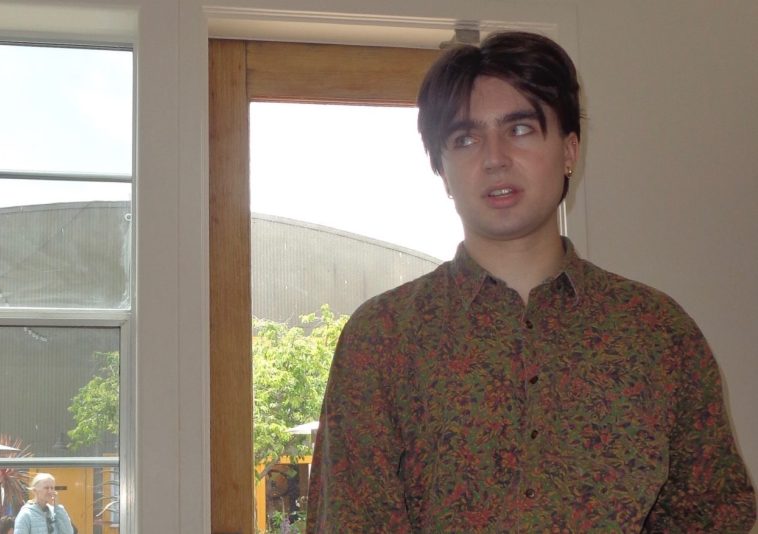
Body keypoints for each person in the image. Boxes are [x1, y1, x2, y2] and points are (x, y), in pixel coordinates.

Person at [306, 31, 756, 532]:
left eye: (520, 129)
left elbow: (713, 513)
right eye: (465, 139)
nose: (494, 157)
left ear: (569, 151)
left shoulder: (656, 332)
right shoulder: (383, 337)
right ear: (443, 172)